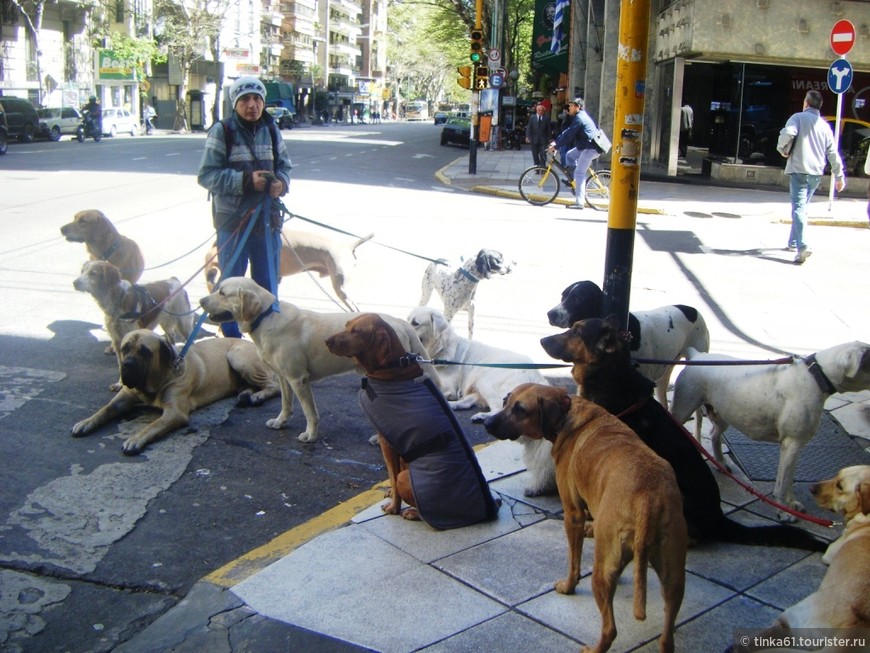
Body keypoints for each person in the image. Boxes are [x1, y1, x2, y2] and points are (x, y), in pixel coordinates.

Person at [197, 76, 292, 337]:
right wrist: (246, 181)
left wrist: (280, 184)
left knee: (267, 285)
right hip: (233, 223)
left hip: (266, 221)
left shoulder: (272, 129)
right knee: (229, 286)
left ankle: (268, 340)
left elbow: (284, 166)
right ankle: (230, 341)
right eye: (245, 100)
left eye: (257, 99)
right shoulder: (222, 131)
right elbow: (206, 176)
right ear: (235, 103)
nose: (252, 105)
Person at [776, 89, 845, 265]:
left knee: (799, 208)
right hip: (815, 173)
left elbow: (787, 134)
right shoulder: (824, 126)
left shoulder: (797, 118)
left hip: (799, 170)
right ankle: (793, 242)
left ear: (806, 103)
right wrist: (839, 175)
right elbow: (832, 153)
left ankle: (803, 246)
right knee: (802, 208)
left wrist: (781, 148)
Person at [552, 97, 601, 210]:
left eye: (571, 106)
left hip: (590, 148)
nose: (569, 107)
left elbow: (569, 135)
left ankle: (579, 202)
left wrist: (556, 146)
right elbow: (567, 132)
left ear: (578, 107)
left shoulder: (580, 118)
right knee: (569, 155)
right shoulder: (578, 117)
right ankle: (574, 182)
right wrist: (556, 141)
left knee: (579, 173)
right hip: (584, 146)